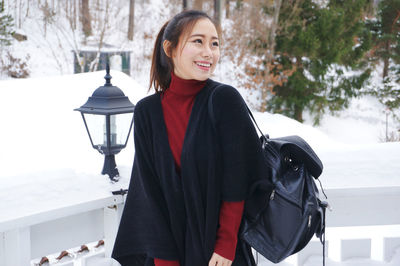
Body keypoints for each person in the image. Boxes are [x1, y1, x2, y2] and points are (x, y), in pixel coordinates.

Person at [111, 10, 268, 266]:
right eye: (198, 41)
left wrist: (226, 245)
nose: (209, 52)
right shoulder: (147, 112)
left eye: (214, 43)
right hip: (166, 252)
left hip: (219, 256)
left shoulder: (224, 100)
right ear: (170, 49)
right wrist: (164, 261)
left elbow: (238, 179)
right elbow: (149, 192)